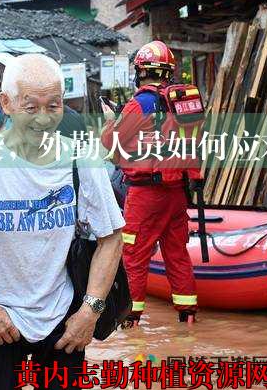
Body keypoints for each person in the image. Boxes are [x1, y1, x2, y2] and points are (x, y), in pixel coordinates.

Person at [0, 54, 124, 390]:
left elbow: (111, 238)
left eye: (54, 106)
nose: (44, 119)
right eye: (31, 107)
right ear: (6, 103)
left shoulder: (82, 160)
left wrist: (89, 312)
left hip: (65, 320)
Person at [100, 41, 200, 325]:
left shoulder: (139, 103)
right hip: (177, 193)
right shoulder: (182, 103)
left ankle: (130, 319)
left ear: (140, 71)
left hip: (146, 196)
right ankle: (187, 316)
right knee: (177, 253)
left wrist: (110, 121)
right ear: (168, 72)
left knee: (133, 254)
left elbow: (111, 143)